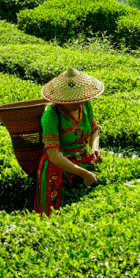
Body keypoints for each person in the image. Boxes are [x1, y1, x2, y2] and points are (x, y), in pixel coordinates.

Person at [34, 68, 103, 216]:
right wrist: (84, 174)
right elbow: (53, 155)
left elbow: (93, 130)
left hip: (82, 160)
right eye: (73, 100)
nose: (79, 103)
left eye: (81, 99)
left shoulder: (85, 105)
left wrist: (95, 148)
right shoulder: (51, 115)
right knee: (54, 215)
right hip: (58, 169)